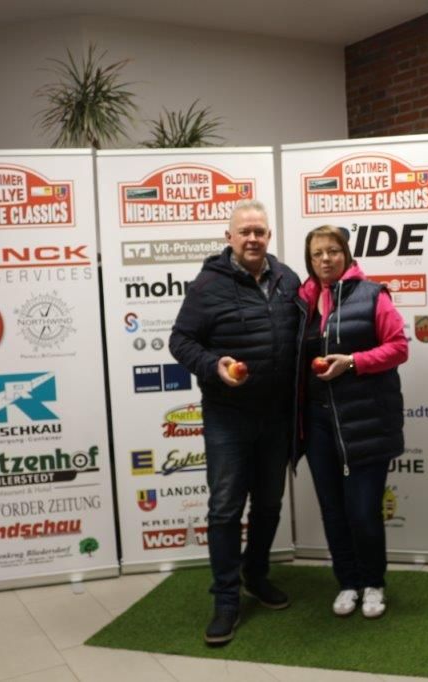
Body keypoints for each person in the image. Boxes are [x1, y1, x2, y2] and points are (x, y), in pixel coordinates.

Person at [169, 200, 301, 645]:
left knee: (268, 504)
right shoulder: (208, 285)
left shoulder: (286, 279)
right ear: (229, 237)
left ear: (269, 236)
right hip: (228, 416)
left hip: (276, 416)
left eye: (259, 231)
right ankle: (226, 598)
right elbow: (180, 340)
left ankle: (255, 574)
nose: (252, 238)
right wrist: (213, 366)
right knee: (225, 508)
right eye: (244, 231)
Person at [295, 225, 408, 619]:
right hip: (318, 422)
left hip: (365, 420)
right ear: (309, 261)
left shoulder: (373, 295)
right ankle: (347, 581)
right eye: (317, 254)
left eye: (332, 251)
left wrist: (354, 362)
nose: (325, 259)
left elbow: (399, 347)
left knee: (363, 510)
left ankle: (373, 582)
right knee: (333, 510)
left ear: (345, 254)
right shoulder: (302, 302)